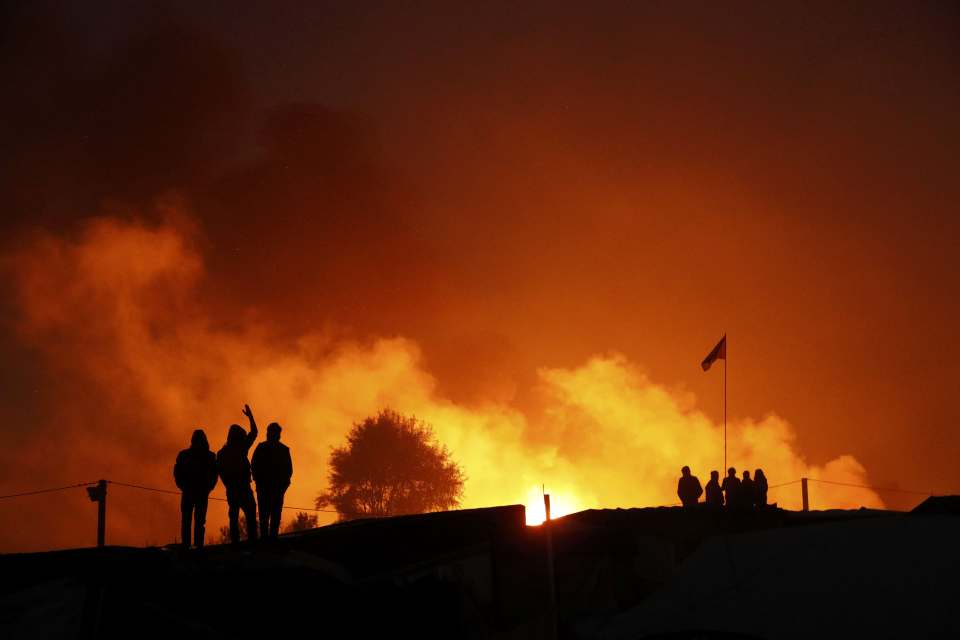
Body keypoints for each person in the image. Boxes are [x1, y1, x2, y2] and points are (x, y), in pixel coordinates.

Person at [217, 404, 259, 544]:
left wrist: (228, 484)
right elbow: (254, 433)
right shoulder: (241, 448)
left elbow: (221, 472)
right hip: (243, 488)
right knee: (250, 515)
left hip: (232, 489)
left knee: (234, 517)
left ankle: (235, 544)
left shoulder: (222, 453)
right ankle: (253, 542)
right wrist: (251, 417)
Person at [173, 429, 219, 549]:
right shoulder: (209, 456)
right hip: (193, 492)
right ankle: (192, 546)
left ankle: (193, 545)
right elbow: (177, 472)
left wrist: (208, 488)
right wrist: (183, 486)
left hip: (196, 492)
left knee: (192, 521)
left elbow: (214, 475)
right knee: (193, 520)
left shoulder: (186, 455)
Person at [251, 421, 293, 539]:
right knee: (272, 517)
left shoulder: (262, 448)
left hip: (270, 490)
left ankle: (267, 542)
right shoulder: (282, 450)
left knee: (268, 517)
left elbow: (288, 472)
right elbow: (289, 471)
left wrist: (259, 482)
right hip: (271, 490)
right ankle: (270, 542)